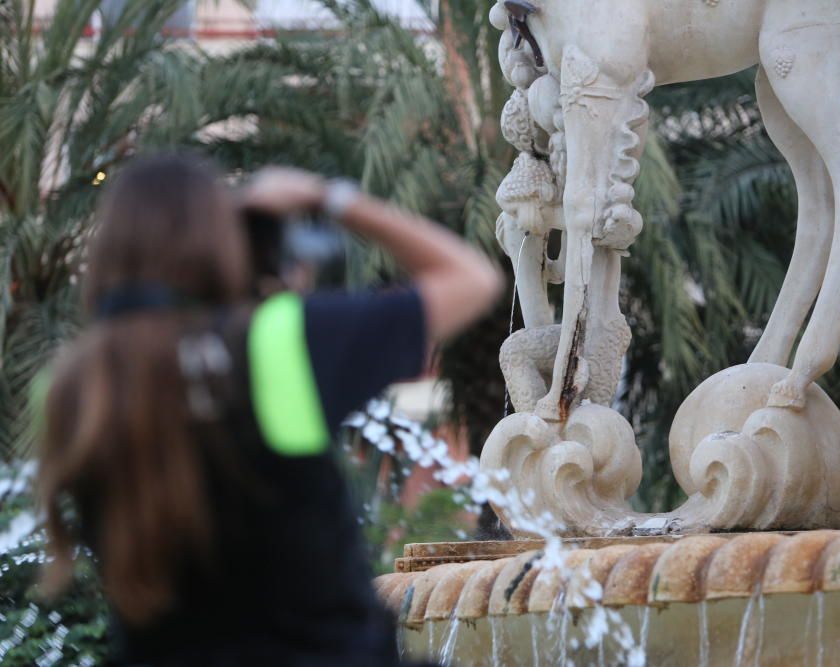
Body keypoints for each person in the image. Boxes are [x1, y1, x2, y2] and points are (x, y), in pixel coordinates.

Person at [35, 153, 503, 666]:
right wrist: (330, 197)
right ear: (216, 243)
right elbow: (472, 278)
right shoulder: (278, 340)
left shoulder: (74, 385)